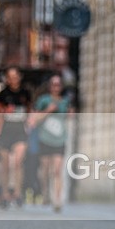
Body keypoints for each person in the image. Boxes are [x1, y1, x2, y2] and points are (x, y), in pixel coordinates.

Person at [27, 75, 72, 213]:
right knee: (45, 170)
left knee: (57, 171)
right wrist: (48, 110)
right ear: (49, 86)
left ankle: (57, 199)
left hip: (60, 140)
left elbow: (67, 120)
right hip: (45, 139)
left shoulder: (65, 102)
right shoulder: (43, 100)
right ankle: (45, 192)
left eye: (58, 84)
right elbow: (33, 120)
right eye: (53, 84)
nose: (56, 87)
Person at [0, 66, 32, 208]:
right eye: (10, 77)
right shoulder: (2, 94)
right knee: (5, 165)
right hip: (6, 132)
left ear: (19, 77)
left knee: (17, 162)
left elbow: (29, 110)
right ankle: (4, 193)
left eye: (15, 76)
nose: (13, 79)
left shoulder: (25, 93)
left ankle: (17, 192)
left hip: (20, 131)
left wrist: (29, 124)